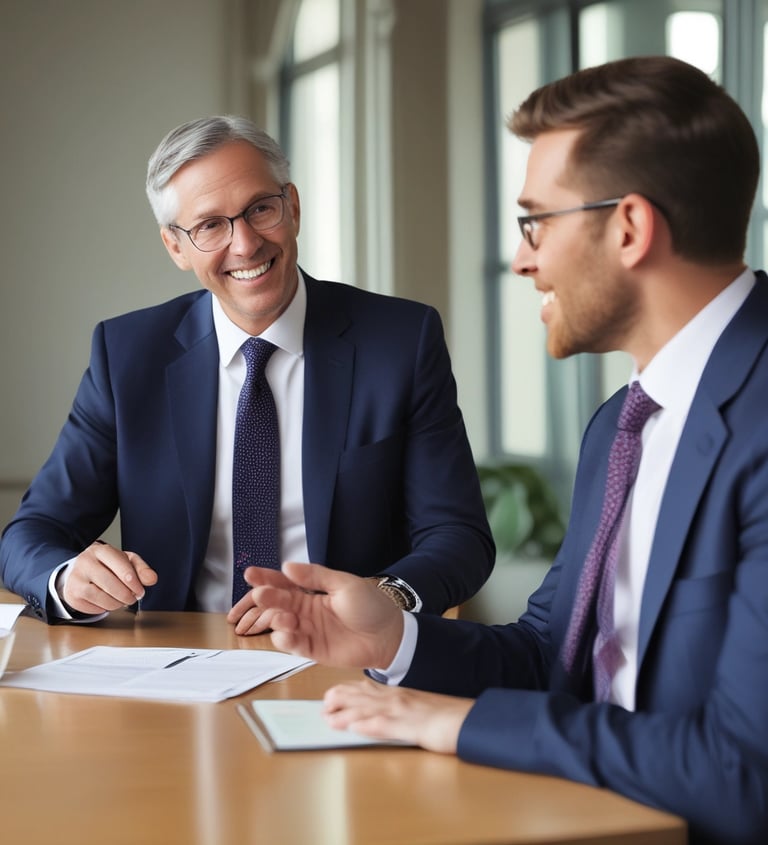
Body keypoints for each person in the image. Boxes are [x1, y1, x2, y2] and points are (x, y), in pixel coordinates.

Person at [242, 56, 768, 843]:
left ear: (629, 227)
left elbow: (744, 773)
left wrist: (460, 724)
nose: (522, 257)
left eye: (536, 221)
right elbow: (549, 655)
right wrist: (392, 637)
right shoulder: (622, 423)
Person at [0, 116, 494, 633]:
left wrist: (380, 597)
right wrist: (66, 581)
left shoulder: (400, 341)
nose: (245, 244)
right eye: (211, 225)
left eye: (261, 209)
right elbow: (33, 532)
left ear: (293, 207)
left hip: (344, 658)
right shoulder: (127, 355)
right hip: (174, 665)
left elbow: (458, 537)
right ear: (175, 247)